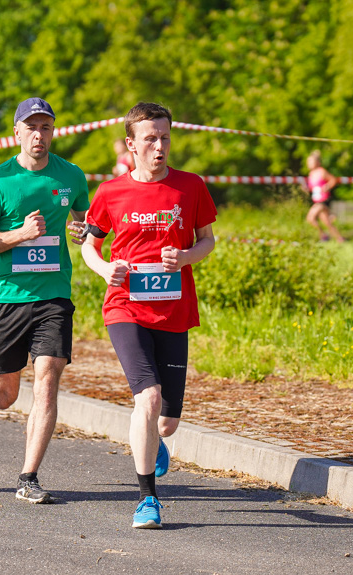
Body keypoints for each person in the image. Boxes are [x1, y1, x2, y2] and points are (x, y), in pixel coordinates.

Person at [78, 102, 217, 529]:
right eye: (151, 139)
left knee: (168, 422)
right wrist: (105, 269)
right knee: (148, 397)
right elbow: (89, 244)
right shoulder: (110, 192)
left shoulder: (191, 187)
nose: (160, 147)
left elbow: (207, 241)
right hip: (126, 308)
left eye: (165, 138)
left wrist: (186, 257)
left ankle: (154, 440)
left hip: (174, 311)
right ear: (131, 144)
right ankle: (147, 500)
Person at [0, 97, 89, 505]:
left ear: (53, 131)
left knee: (49, 378)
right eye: (31, 128)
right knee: (6, 396)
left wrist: (82, 232)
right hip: (8, 298)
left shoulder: (71, 176)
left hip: (53, 295)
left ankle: (28, 476)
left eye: (46, 127)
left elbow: (82, 221)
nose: (39, 135)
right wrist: (20, 235)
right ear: (16, 132)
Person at [303, 150, 344, 242]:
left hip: (324, 200)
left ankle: (324, 236)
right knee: (327, 223)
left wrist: (327, 186)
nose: (308, 164)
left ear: (317, 162)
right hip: (317, 200)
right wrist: (306, 189)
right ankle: (340, 239)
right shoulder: (311, 174)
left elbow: (333, 180)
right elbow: (313, 188)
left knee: (310, 218)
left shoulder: (322, 171)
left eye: (311, 162)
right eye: (308, 162)